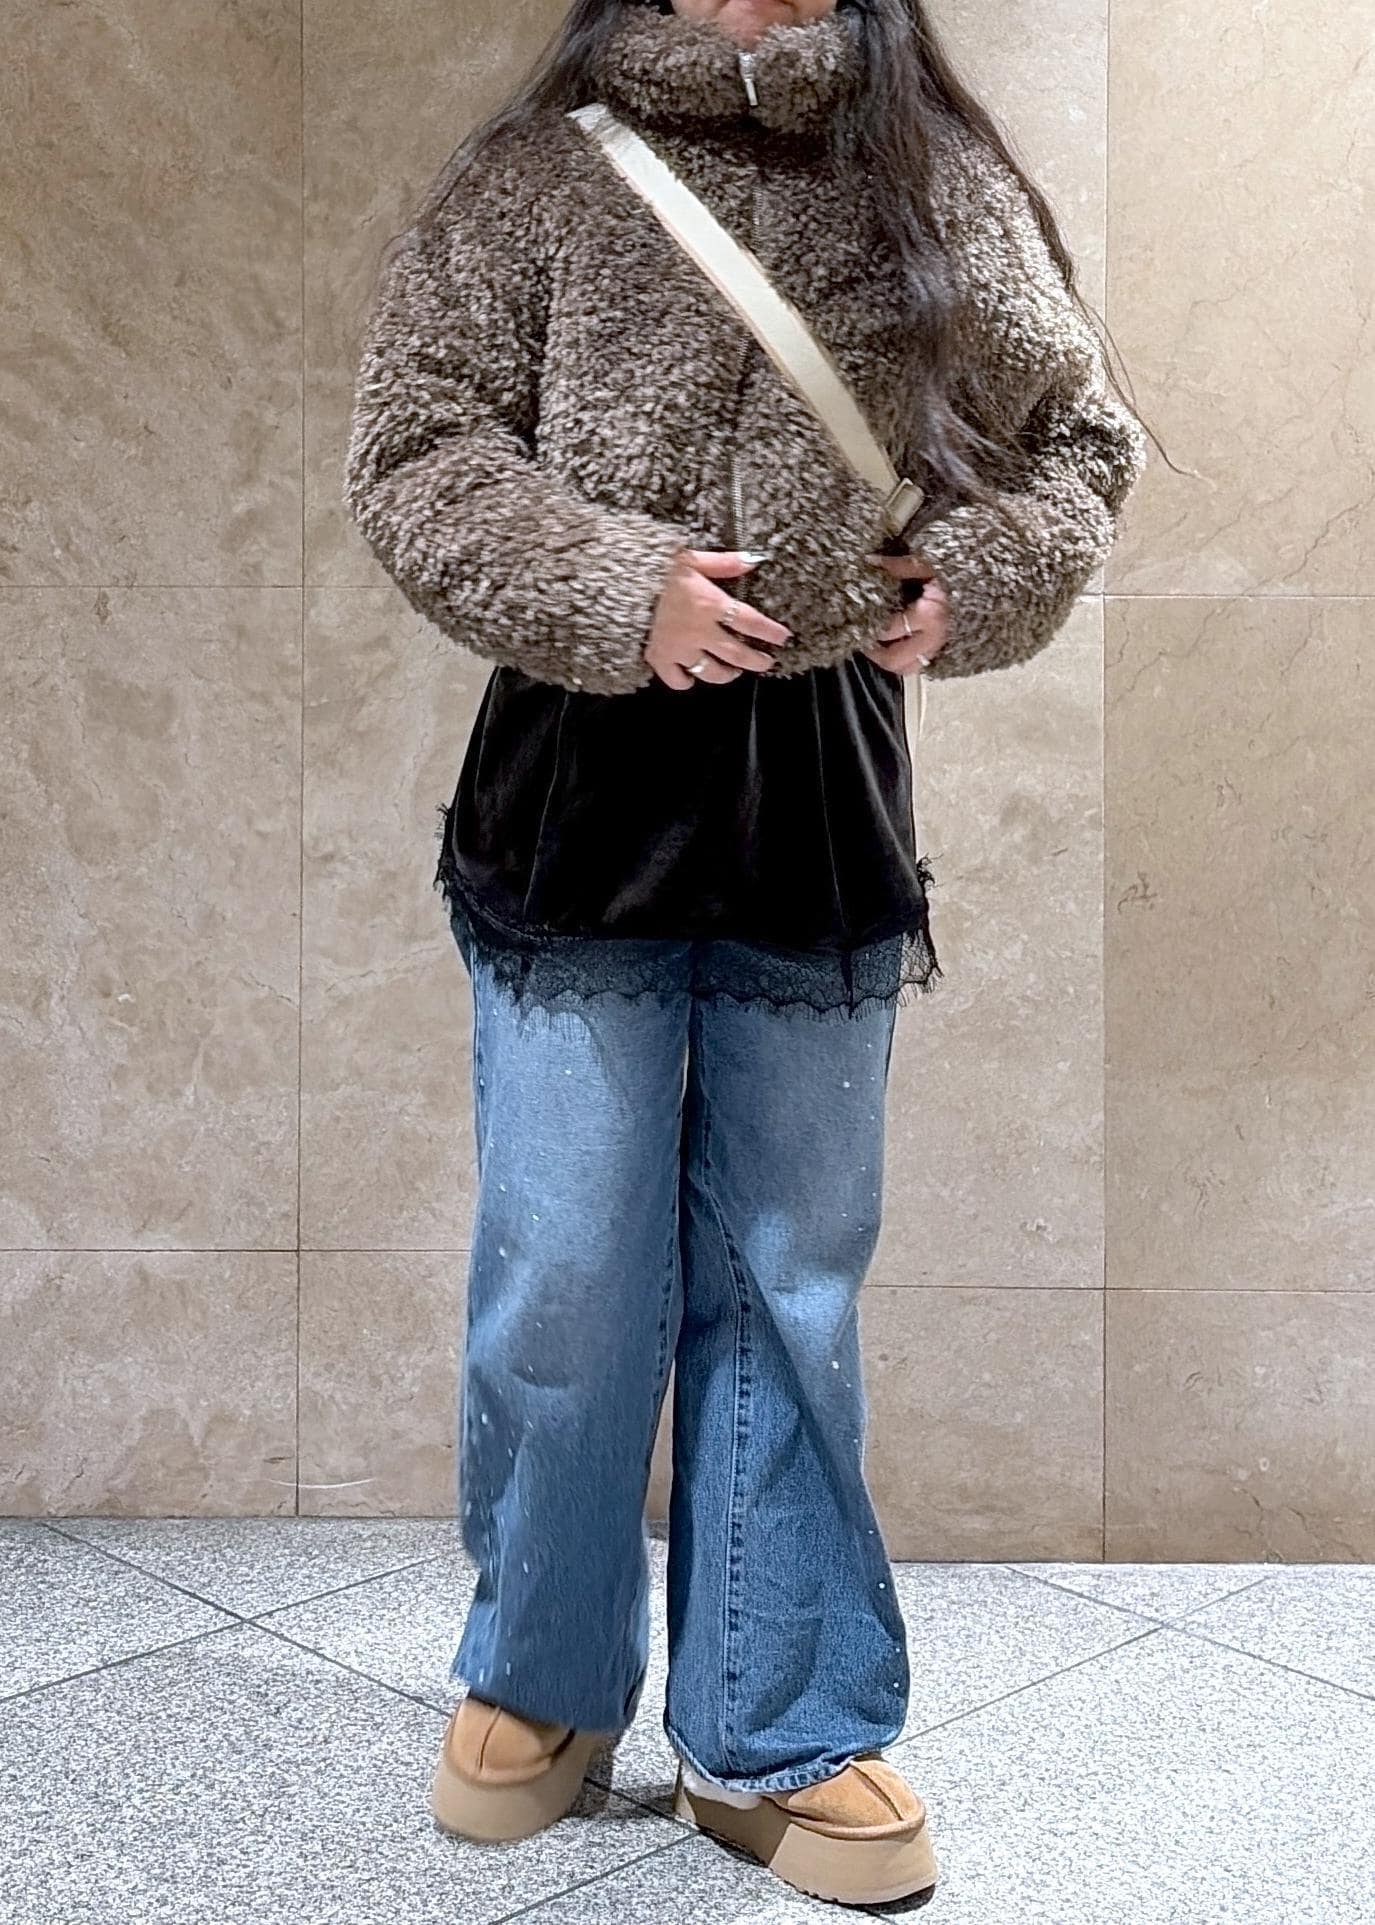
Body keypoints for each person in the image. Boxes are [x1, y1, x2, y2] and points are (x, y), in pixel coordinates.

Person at [344, 0, 1148, 1905]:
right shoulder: (535, 177)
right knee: (567, 1266)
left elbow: (1079, 442)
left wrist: (982, 572)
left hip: (817, 806)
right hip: (578, 798)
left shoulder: (927, 174)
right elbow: (414, 453)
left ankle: (780, 1722)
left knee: (787, 1277)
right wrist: (614, 587)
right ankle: (540, 1671)